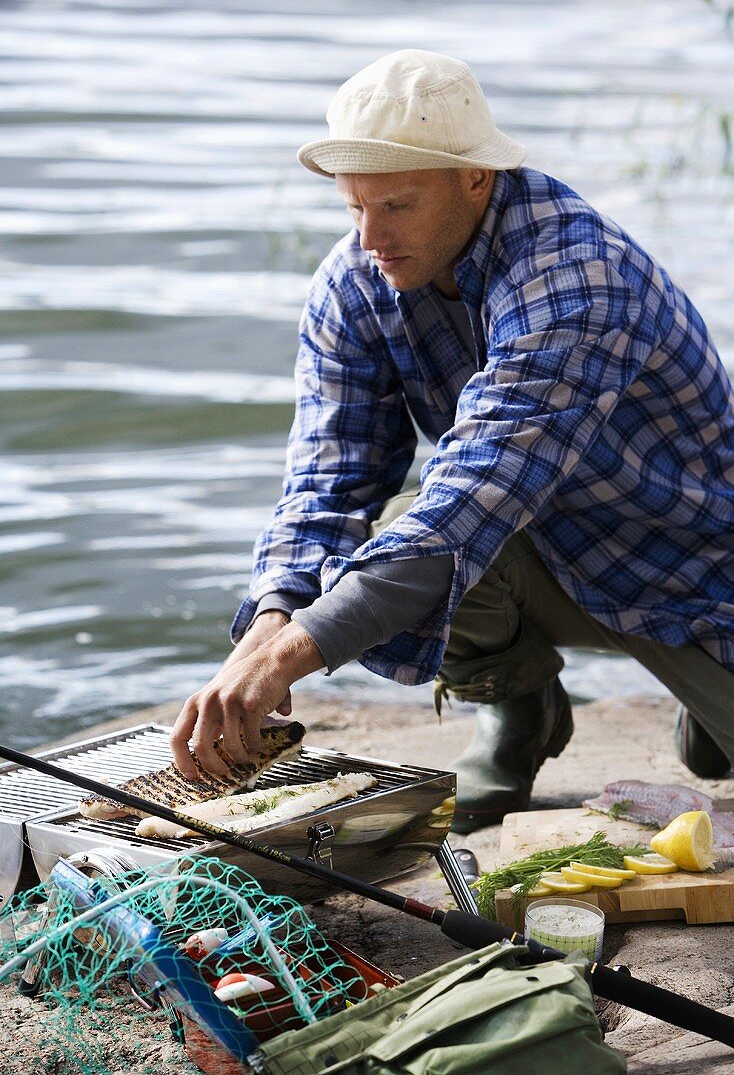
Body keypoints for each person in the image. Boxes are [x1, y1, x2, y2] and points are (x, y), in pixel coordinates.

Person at [170, 49, 734, 832]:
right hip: (530, 548)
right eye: (353, 207)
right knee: (404, 518)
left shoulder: (577, 276)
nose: (370, 237)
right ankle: (516, 706)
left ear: (477, 179)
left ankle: (705, 715)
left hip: (689, 566)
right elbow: (328, 480)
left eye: (396, 205)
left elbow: (473, 499)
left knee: (719, 756)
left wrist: (287, 660)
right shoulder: (356, 281)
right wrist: (268, 621)